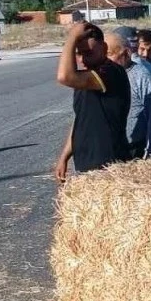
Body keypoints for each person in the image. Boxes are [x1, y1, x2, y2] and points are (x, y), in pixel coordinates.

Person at [54, 23, 131, 183]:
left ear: (103, 48)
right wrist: (64, 157)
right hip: (86, 163)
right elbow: (81, 120)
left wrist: (72, 37)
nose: (82, 59)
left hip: (109, 165)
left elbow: (64, 77)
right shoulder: (86, 78)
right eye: (79, 53)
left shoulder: (111, 72)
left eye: (88, 53)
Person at [107, 30, 151, 159]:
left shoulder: (142, 77)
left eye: (110, 54)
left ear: (127, 53)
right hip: (111, 148)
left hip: (134, 149)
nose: (106, 59)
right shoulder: (106, 75)